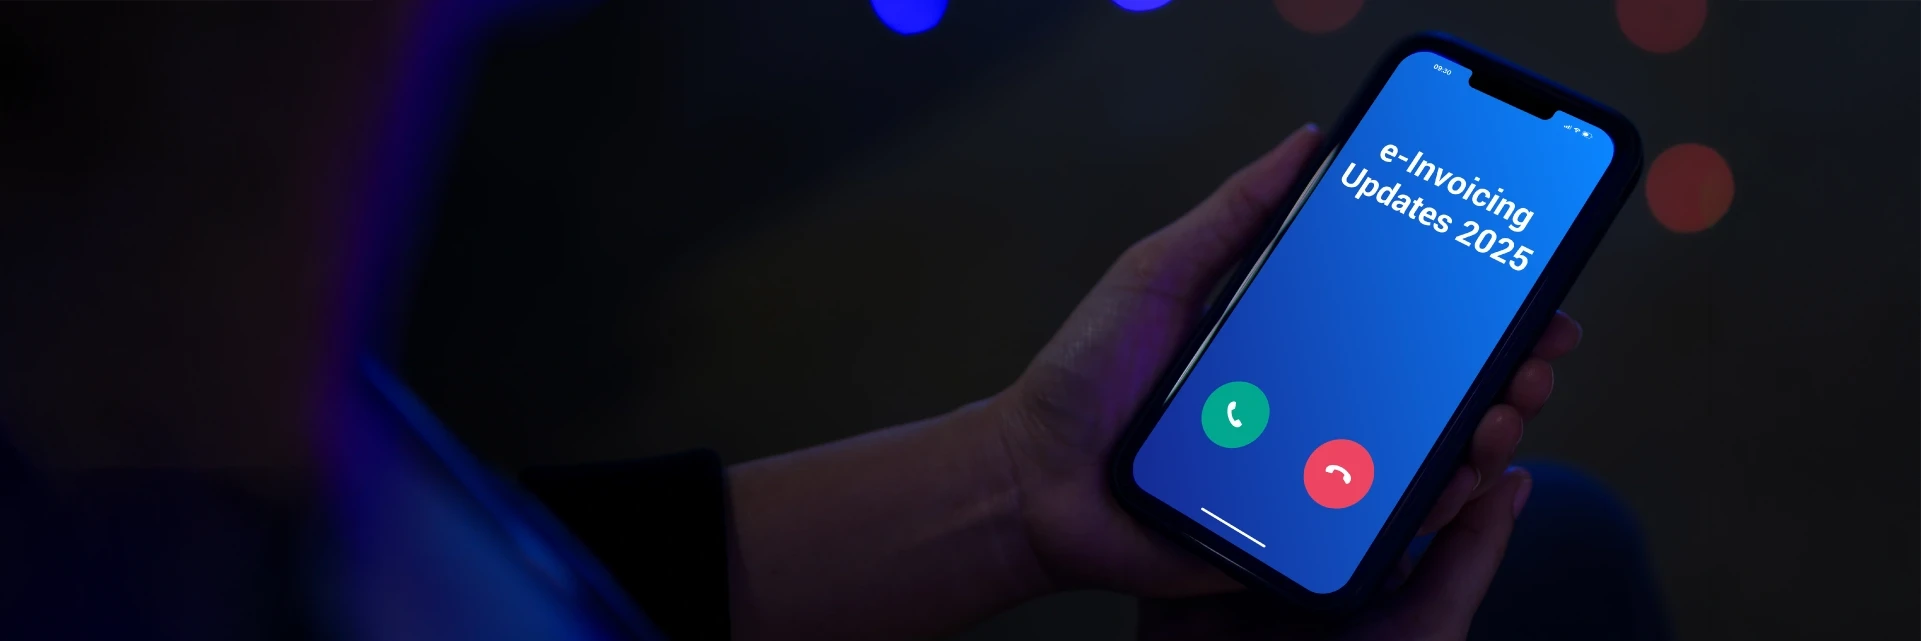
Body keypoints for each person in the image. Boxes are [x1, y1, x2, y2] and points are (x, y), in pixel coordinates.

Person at [0, 2, 1666, 639]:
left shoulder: (161, 402)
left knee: (1549, 555)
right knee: (1557, 565)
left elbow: (534, 558)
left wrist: (1015, 483)